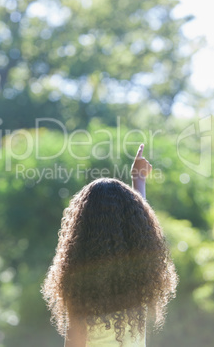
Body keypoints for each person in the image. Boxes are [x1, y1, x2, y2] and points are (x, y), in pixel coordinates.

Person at [41, 144, 178, 346]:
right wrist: (138, 180)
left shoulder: (78, 285)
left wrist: (138, 180)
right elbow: (139, 228)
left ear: (81, 230)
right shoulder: (140, 277)